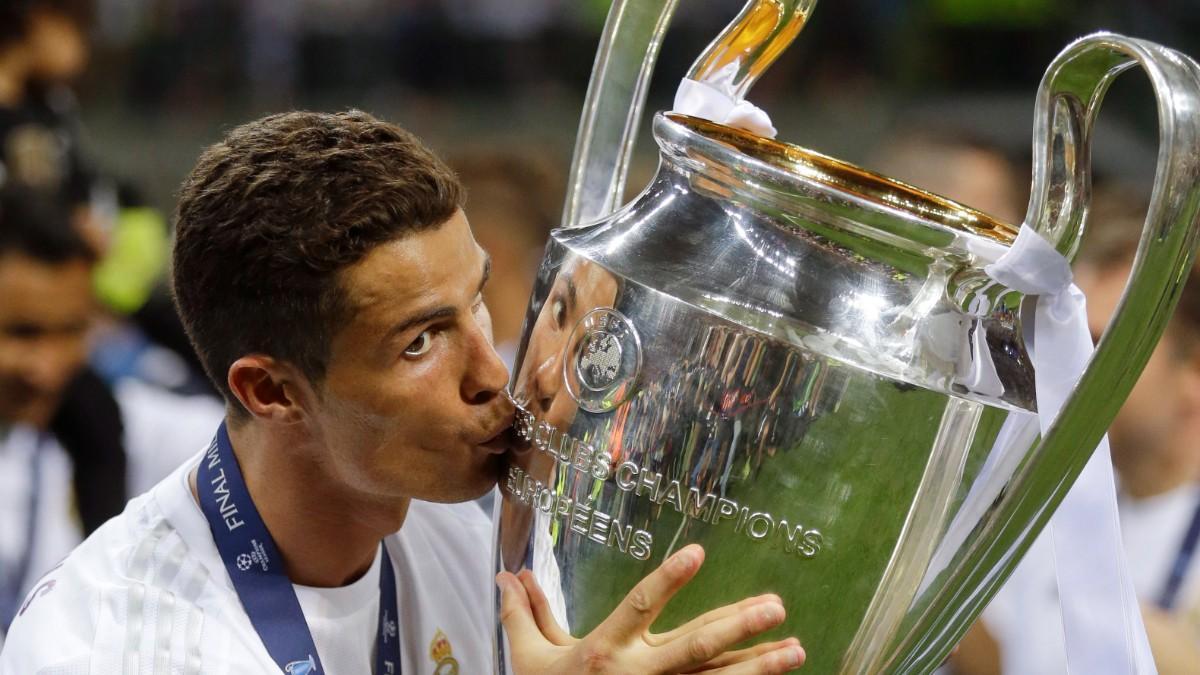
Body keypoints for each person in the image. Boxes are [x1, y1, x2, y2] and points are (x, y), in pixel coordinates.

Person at [0, 110, 807, 674]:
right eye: (420, 340)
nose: (490, 371)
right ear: (272, 391)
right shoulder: (115, 650)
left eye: (479, 301)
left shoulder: (486, 527)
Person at [0, 187, 222, 650]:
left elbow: (257, 421)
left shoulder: (102, 428)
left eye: (73, 330)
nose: (48, 368)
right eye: (22, 333)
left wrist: (139, 300)